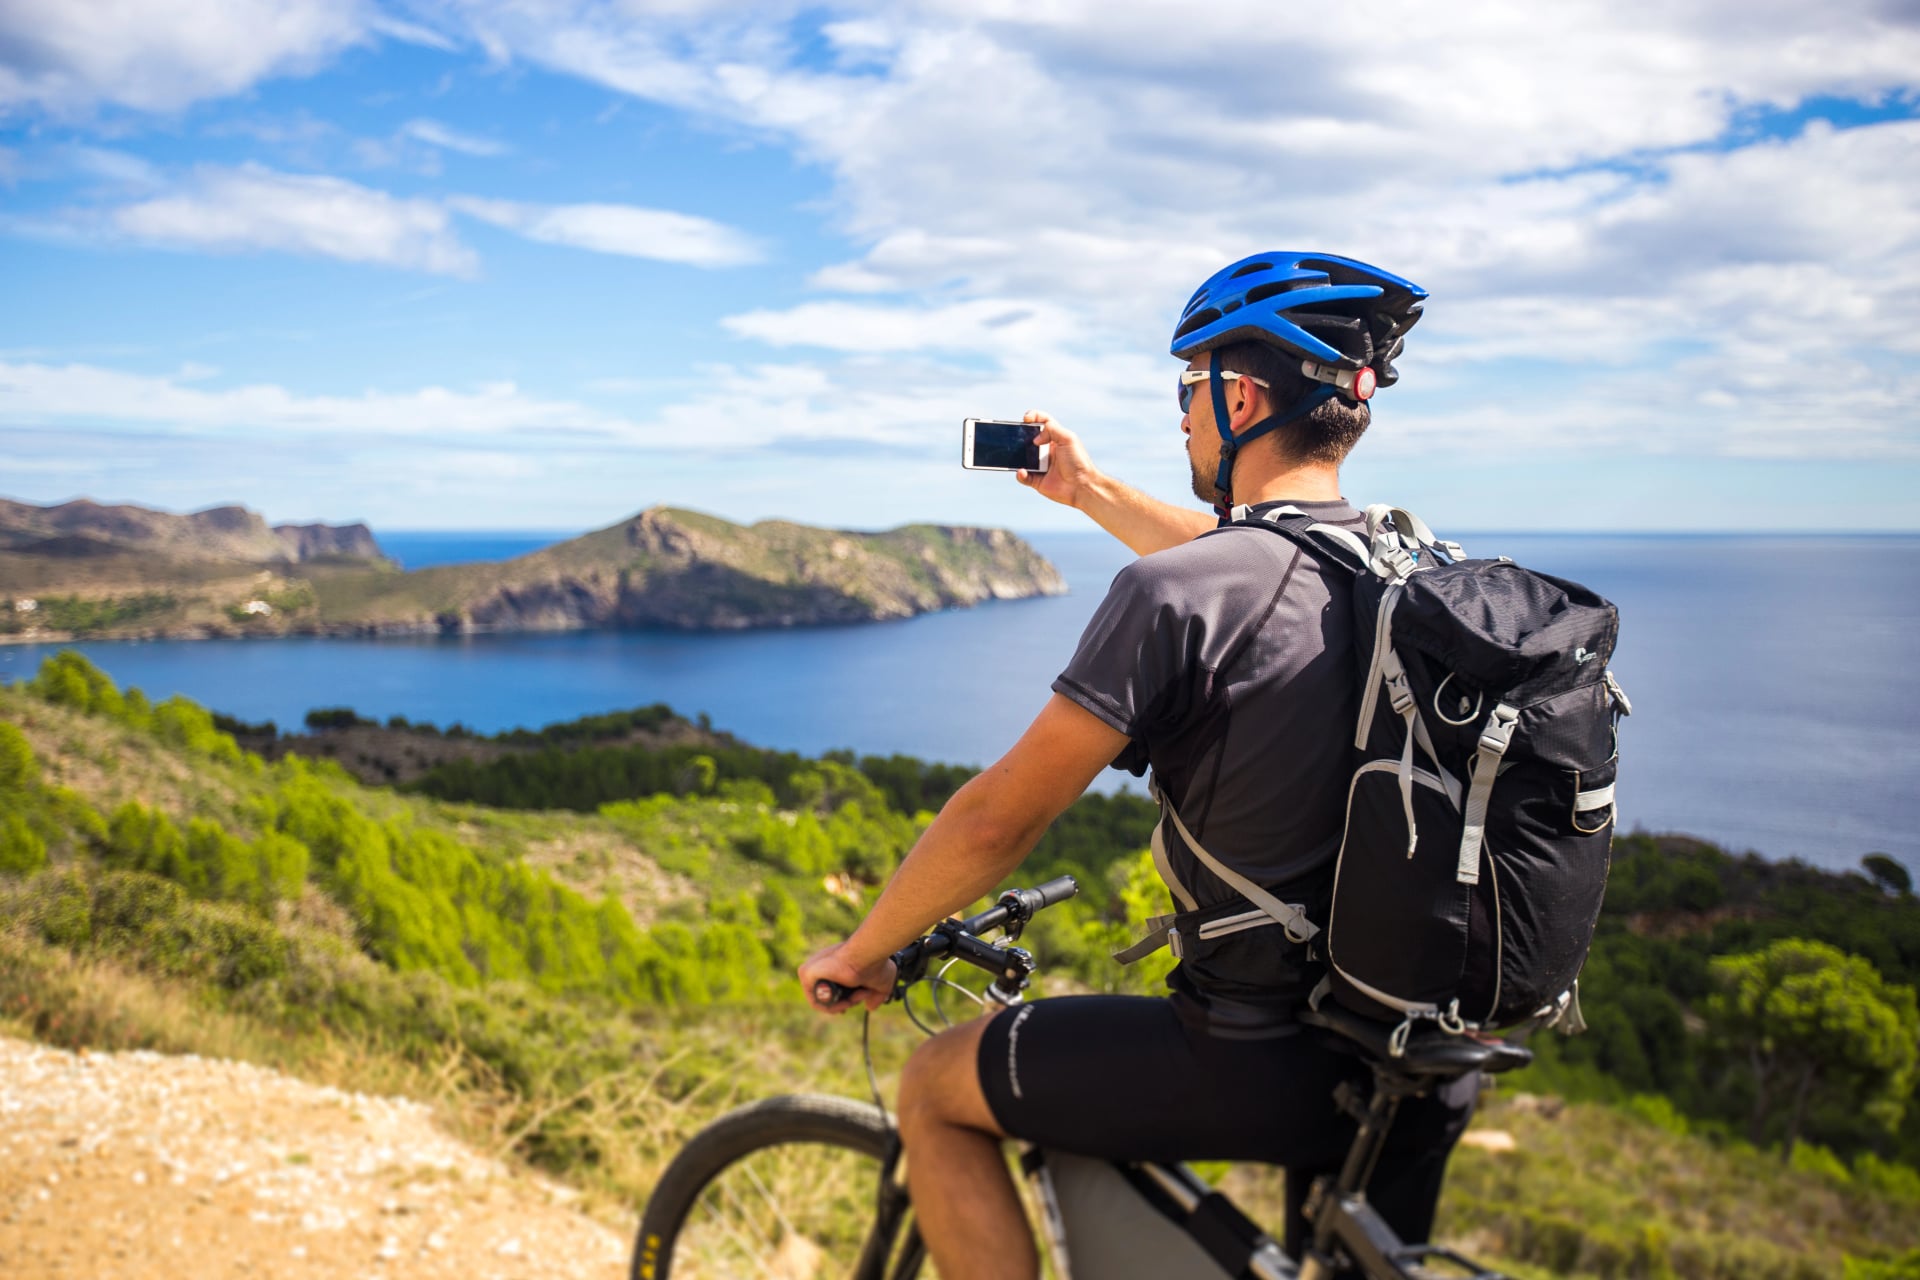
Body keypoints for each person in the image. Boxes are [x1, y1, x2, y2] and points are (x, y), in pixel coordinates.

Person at [797, 252, 1478, 1279]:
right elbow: (1255, 557)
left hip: (1262, 1054)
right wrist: (1086, 490)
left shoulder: (1174, 595)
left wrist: (865, 949)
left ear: (1240, 395)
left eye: (1188, 390)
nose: (1184, 418)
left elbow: (998, 822)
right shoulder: (1418, 572)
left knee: (936, 1086)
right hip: (1423, 1052)